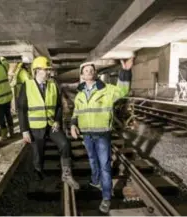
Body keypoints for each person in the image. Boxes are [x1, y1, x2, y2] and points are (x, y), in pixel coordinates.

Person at [70, 58, 133, 213]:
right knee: (92, 159)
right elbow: (76, 111)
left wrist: (125, 72)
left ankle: (106, 197)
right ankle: (95, 181)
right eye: (86, 71)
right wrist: (73, 124)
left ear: (95, 73)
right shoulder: (79, 94)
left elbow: (123, 91)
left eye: (91, 70)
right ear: (82, 76)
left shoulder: (107, 89)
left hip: (102, 133)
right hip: (87, 134)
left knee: (105, 165)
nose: (89, 72)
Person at [17, 56, 79, 189]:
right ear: (37, 70)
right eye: (46, 70)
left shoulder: (53, 85)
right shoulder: (27, 86)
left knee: (64, 143)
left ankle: (67, 175)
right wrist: (24, 130)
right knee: (38, 154)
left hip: (51, 125)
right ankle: (38, 177)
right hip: (35, 127)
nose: (48, 72)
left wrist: (57, 120)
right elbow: (21, 110)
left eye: (48, 70)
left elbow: (58, 106)